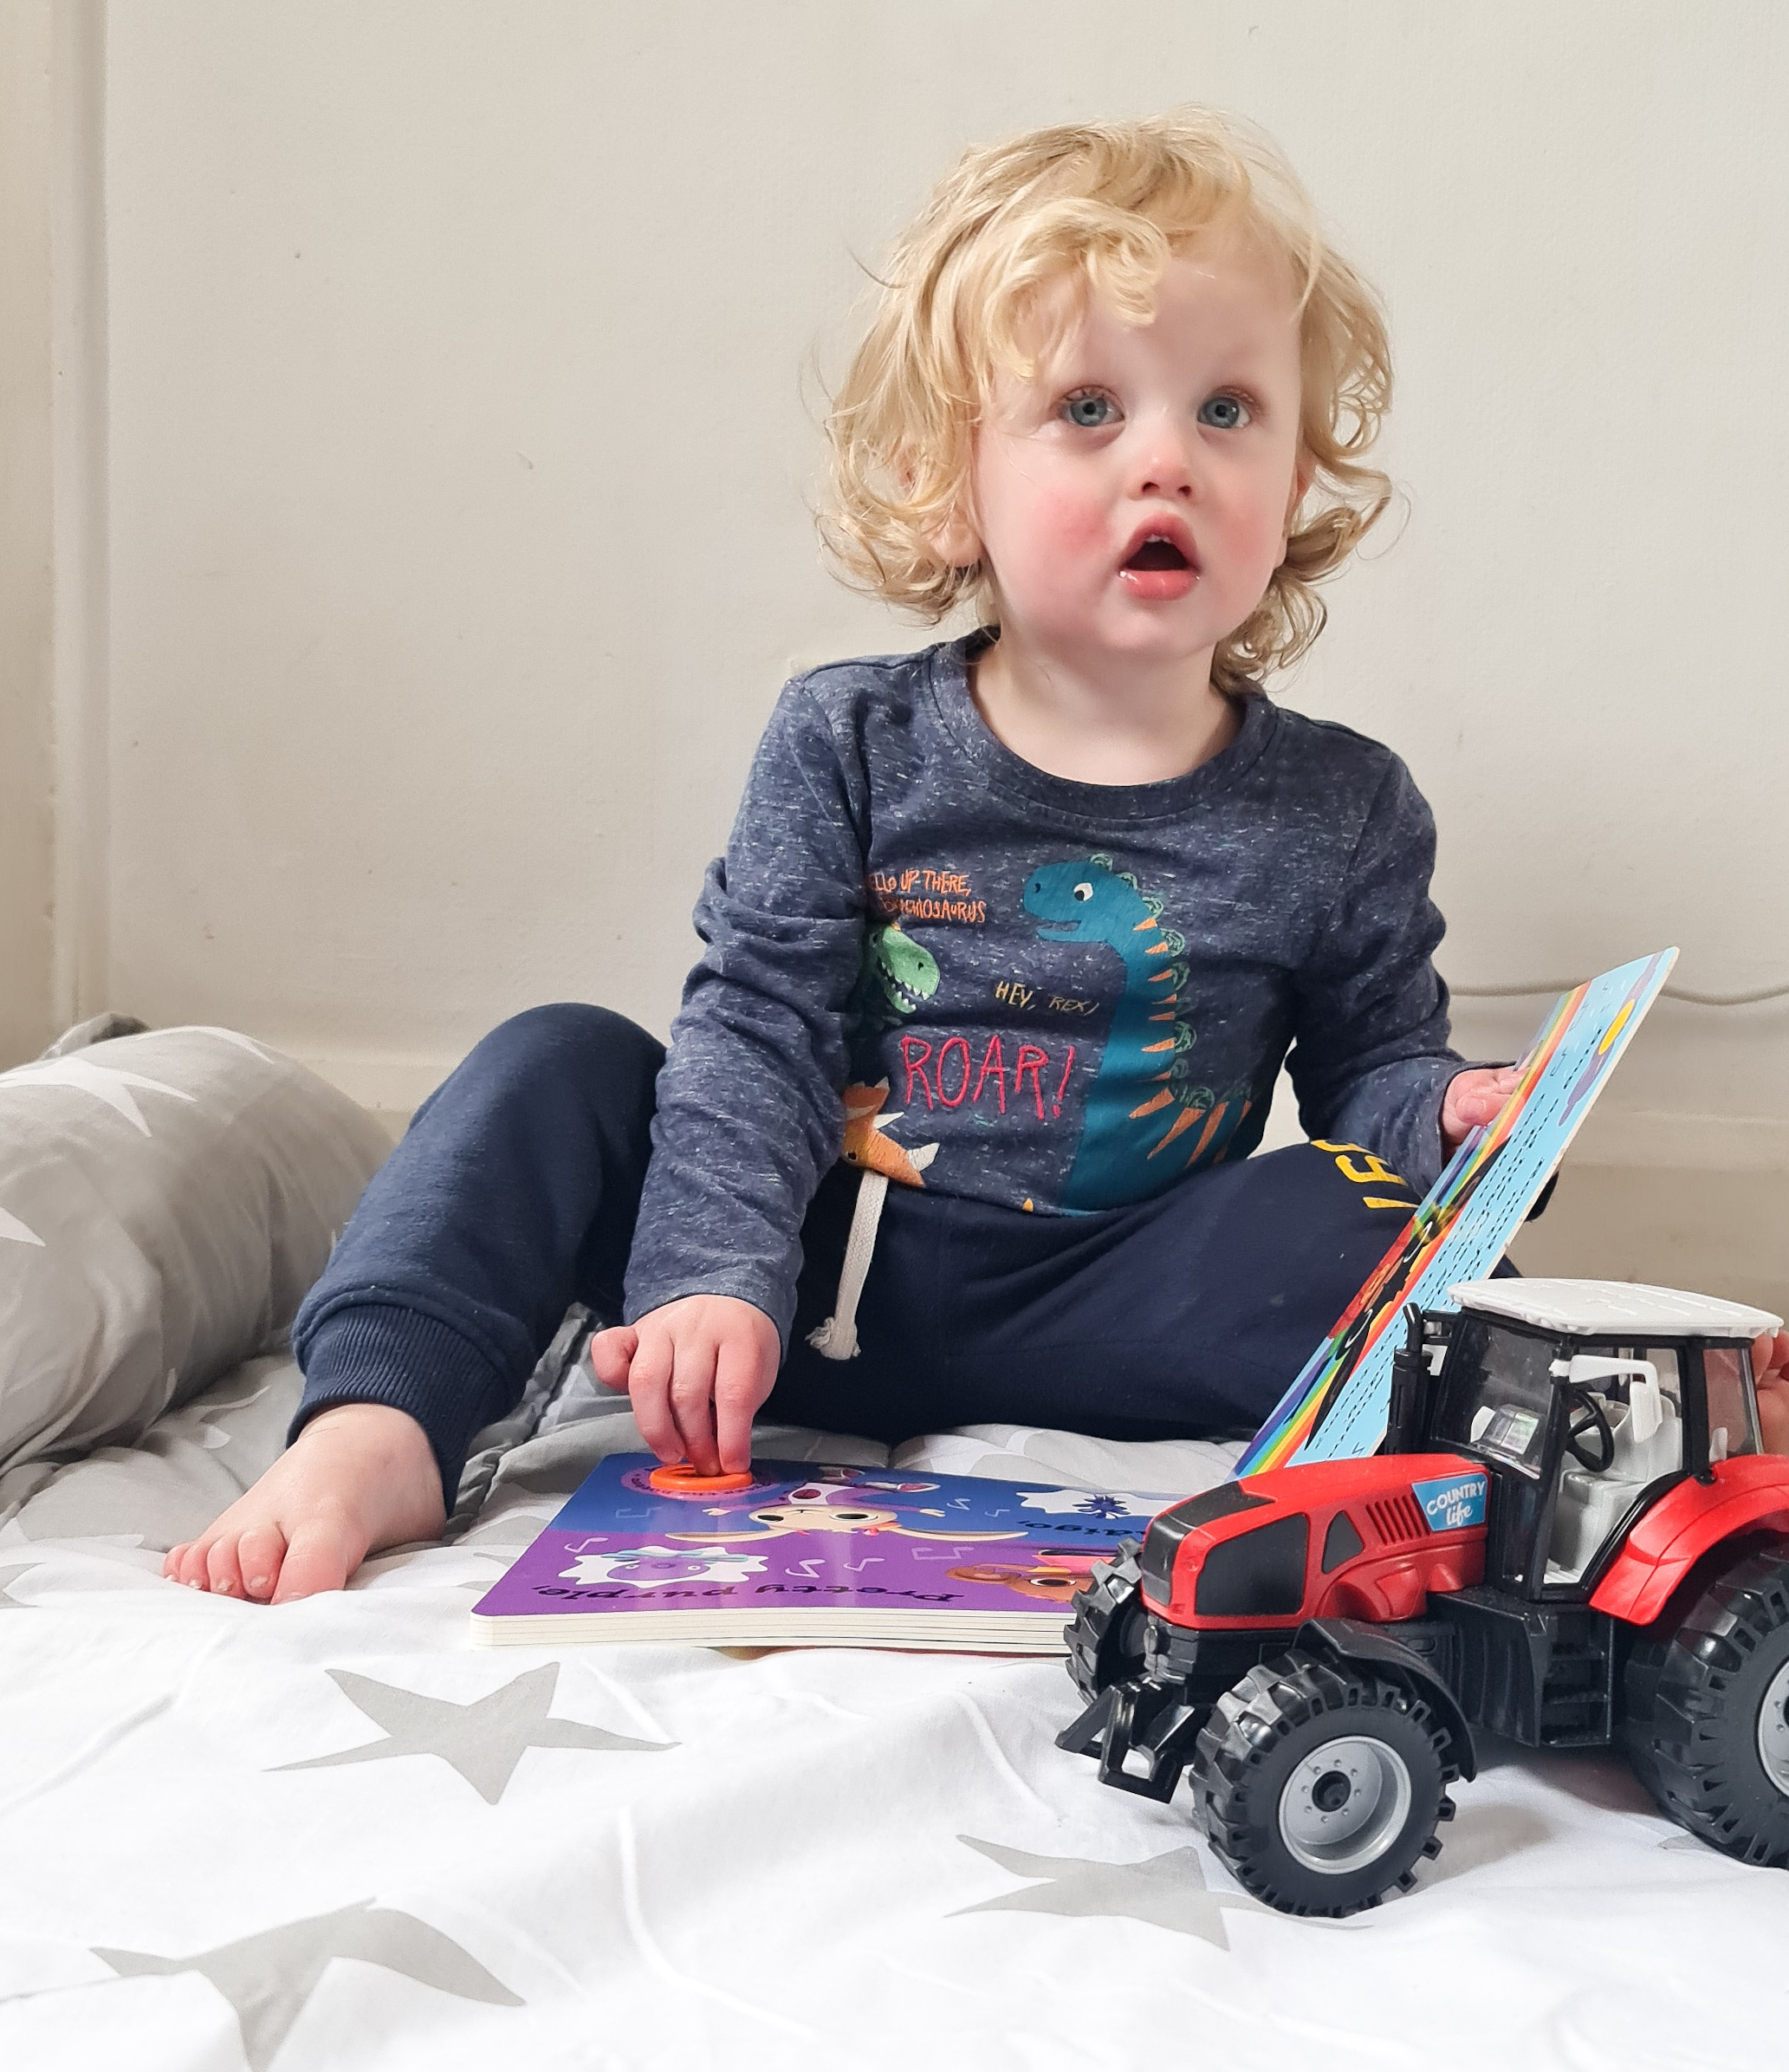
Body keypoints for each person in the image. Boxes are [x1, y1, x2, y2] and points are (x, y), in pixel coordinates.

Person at [164, 109, 1789, 1604]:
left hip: (1120, 1290)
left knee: (1361, 1220)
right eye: (1087, 410)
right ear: (956, 488)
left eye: (1226, 410)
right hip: (811, 1273)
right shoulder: (849, 738)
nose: (1165, 456)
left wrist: (1452, 1116)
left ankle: (1506, 1440)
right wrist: (709, 1276)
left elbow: (1369, 1071)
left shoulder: (1343, 803)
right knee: (560, 1067)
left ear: (1293, 483)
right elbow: (759, 1028)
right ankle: (378, 1425)